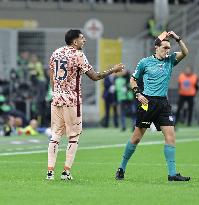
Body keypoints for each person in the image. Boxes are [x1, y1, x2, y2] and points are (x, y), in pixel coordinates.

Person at [46, 29, 124, 180]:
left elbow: (51, 75)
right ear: (75, 42)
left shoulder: (56, 53)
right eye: (82, 38)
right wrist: (112, 70)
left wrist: (55, 92)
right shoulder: (78, 55)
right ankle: (66, 172)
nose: (84, 40)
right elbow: (95, 76)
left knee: (55, 135)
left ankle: (50, 172)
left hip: (56, 99)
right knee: (73, 136)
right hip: (72, 101)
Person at [115, 31, 190, 182]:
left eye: (169, 48)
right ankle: (121, 168)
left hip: (163, 103)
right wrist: (138, 94)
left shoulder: (170, 60)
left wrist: (177, 38)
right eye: (164, 47)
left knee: (170, 137)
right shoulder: (145, 62)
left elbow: (185, 52)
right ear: (156, 47)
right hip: (147, 103)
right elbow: (133, 79)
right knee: (136, 138)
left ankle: (172, 173)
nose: (167, 50)